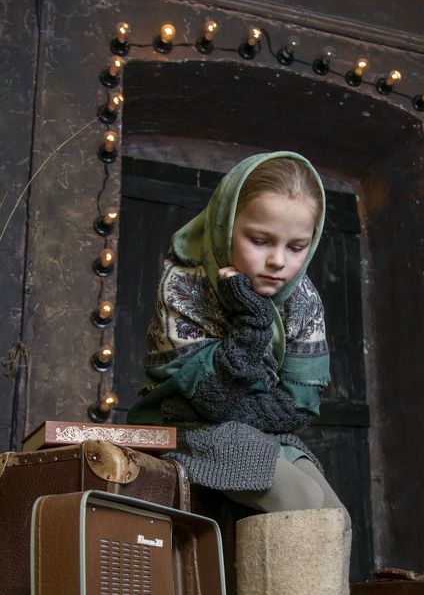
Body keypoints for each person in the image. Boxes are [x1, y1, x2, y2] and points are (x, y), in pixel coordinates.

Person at [127, 150, 348, 521]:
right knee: (298, 497)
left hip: (261, 430)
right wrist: (252, 321)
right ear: (225, 226)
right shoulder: (185, 285)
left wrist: (247, 412)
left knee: (335, 517)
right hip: (183, 427)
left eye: (296, 247)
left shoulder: (302, 298)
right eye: (260, 241)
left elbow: (298, 406)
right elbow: (207, 402)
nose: (278, 261)